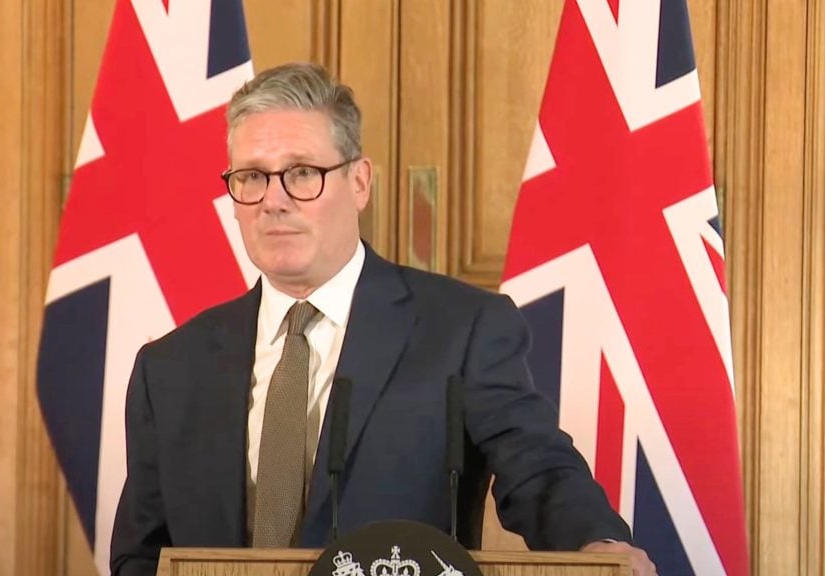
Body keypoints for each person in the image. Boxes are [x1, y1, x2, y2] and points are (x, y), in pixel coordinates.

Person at [110, 62, 656, 576]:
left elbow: (537, 468)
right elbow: (142, 556)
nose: (273, 201)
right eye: (252, 176)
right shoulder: (170, 368)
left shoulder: (461, 330)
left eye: (302, 173)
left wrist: (598, 547)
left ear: (360, 182)